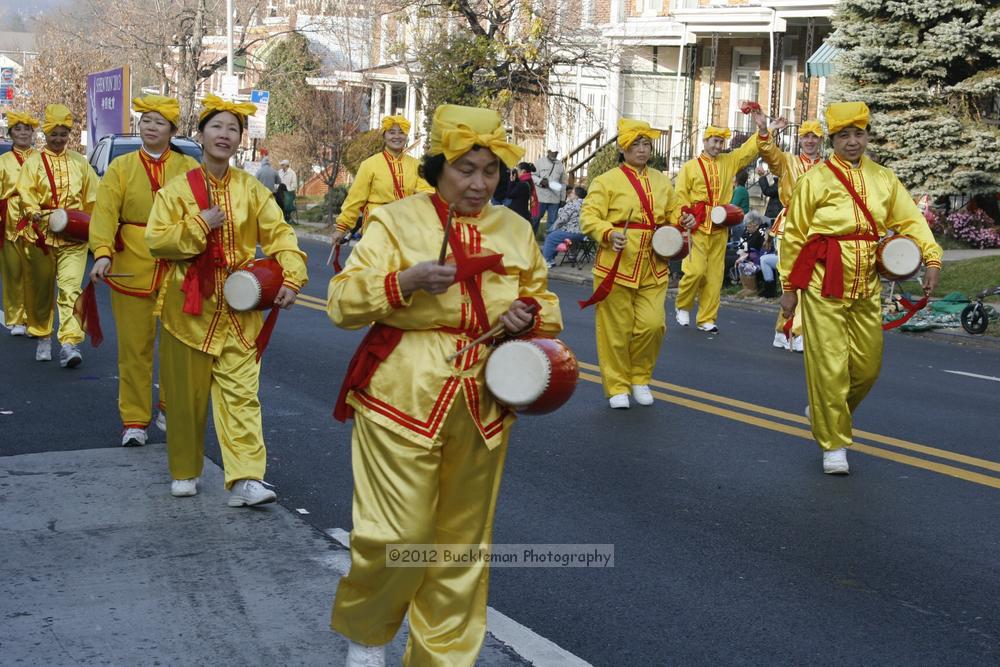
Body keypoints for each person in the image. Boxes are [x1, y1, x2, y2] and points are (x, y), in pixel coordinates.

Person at [327, 103, 562, 666]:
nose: (479, 183)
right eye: (465, 169)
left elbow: (546, 303)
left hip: (484, 401)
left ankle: (443, 658)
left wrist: (525, 315)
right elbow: (341, 302)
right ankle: (367, 631)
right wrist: (403, 281)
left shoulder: (515, 229)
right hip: (402, 393)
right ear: (438, 167)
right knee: (398, 536)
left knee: (461, 547)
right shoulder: (396, 220)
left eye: (490, 171)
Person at [145, 94, 308, 502]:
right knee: (185, 399)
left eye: (232, 129)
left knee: (242, 395)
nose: (224, 135)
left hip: (239, 311)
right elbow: (157, 241)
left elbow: (280, 235)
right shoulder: (177, 190)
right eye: (216, 127)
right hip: (190, 310)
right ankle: (184, 468)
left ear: (240, 140)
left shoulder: (251, 190)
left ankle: (245, 478)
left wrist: (292, 275)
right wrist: (200, 223)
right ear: (200, 135)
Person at [778, 101, 942, 475]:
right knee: (830, 365)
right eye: (844, 136)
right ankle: (833, 443)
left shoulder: (884, 178)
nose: (853, 142)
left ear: (867, 135)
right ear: (833, 139)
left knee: (867, 368)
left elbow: (911, 222)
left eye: (859, 134)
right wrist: (789, 285)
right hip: (823, 280)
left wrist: (931, 259)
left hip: (867, 281)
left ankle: (824, 411)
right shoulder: (814, 179)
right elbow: (794, 235)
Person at [89, 95, 200, 447]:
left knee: (177, 346)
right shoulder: (121, 168)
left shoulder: (188, 169)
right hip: (131, 267)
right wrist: (103, 254)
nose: (150, 128)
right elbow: (104, 213)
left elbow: (203, 213)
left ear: (172, 130)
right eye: (146, 121)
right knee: (134, 350)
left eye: (159, 122)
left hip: (179, 268)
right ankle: (134, 421)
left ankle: (169, 406)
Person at [579, 118, 690, 409]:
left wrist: (684, 218)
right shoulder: (605, 181)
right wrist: (608, 233)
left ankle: (640, 377)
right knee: (615, 331)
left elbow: (674, 210)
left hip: (653, 263)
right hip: (616, 263)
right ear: (623, 148)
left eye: (646, 144)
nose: (642, 149)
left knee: (653, 326)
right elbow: (589, 217)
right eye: (636, 144)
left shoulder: (662, 180)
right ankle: (617, 385)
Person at [16, 104, 98, 367]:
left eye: (64, 134)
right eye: (54, 134)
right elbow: (26, 193)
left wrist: (92, 224)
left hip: (73, 238)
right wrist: (35, 212)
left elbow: (93, 197)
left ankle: (70, 343)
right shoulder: (33, 162)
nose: (59, 139)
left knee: (71, 288)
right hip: (40, 237)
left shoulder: (80, 163)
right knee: (41, 290)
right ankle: (42, 336)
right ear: (46, 133)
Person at [673, 111, 769, 333]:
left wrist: (763, 130)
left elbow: (748, 150)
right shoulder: (690, 167)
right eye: (714, 141)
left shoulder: (729, 161)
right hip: (697, 225)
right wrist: (683, 215)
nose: (717, 146)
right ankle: (683, 305)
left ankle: (707, 318)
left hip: (720, 225)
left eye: (720, 142)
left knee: (715, 277)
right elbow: (680, 195)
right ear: (705, 141)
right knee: (695, 271)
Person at [759, 119, 825, 352]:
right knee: (792, 280)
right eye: (806, 136)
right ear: (800, 139)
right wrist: (765, 130)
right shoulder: (788, 161)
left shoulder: (827, 168)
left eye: (814, 137)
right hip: (789, 226)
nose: (809, 141)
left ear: (820, 140)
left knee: (808, 281)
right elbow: (768, 152)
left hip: (816, 228)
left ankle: (783, 330)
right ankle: (796, 332)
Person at [332, 115, 433, 245]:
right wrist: (341, 228)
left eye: (401, 133)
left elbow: (427, 193)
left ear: (406, 136)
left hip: (406, 229)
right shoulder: (369, 165)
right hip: (377, 228)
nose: (397, 136)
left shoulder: (416, 165)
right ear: (384, 137)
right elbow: (355, 199)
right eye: (392, 133)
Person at [0, 111, 38, 338]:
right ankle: (16, 319)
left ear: (33, 133)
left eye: (27, 129)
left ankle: (36, 319)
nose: (23, 133)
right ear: (11, 133)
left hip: (37, 221)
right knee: (13, 272)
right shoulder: (2, 161)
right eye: (18, 129)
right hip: (9, 221)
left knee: (37, 273)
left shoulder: (42, 159)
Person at [541, 184, 587, 267]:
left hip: (572, 232)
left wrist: (553, 228)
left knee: (551, 237)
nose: (570, 194)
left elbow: (562, 219)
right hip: (584, 233)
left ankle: (547, 260)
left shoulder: (572, 204)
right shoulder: (587, 205)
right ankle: (571, 255)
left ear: (577, 196)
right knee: (555, 235)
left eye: (572, 193)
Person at [531, 147, 565, 234]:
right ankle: (530, 240)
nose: (554, 154)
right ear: (548, 152)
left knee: (552, 223)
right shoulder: (539, 162)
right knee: (535, 219)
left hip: (555, 198)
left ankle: (549, 244)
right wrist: (540, 181)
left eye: (556, 152)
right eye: (552, 152)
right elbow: (532, 175)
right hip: (541, 197)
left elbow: (563, 183)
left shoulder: (560, 165)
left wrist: (562, 199)